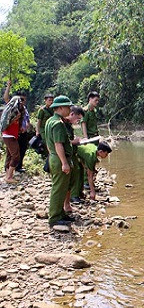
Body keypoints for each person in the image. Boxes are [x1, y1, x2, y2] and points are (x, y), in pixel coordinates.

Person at [45, 96, 75, 226]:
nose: (69, 110)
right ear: (61, 108)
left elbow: (48, 142)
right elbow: (58, 144)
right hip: (59, 158)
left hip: (53, 156)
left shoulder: (50, 121)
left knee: (62, 188)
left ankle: (61, 213)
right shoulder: (58, 124)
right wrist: (64, 162)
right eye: (68, 107)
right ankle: (55, 218)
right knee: (58, 188)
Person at [3, 81, 30, 172]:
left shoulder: (24, 109)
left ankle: (17, 168)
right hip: (13, 133)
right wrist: (8, 86)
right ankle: (8, 172)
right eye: (21, 99)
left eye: (24, 99)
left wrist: (26, 127)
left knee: (21, 150)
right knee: (12, 153)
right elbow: (6, 98)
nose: (23, 101)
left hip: (22, 132)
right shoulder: (13, 107)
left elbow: (27, 120)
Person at [63, 106, 85, 204]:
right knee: (72, 174)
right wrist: (74, 141)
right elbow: (61, 142)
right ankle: (73, 196)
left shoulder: (68, 124)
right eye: (78, 119)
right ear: (71, 114)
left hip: (72, 152)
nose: (78, 122)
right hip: (66, 155)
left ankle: (76, 194)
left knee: (78, 170)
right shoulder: (61, 124)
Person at [1, 96, 24, 183]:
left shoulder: (17, 111)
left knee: (10, 155)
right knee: (16, 156)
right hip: (9, 135)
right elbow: (6, 123)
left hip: (11, 135)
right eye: (19, 101)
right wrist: (16, 118)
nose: (21, 103)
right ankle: (9, 177)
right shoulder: (11, 111)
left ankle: (8, 174)